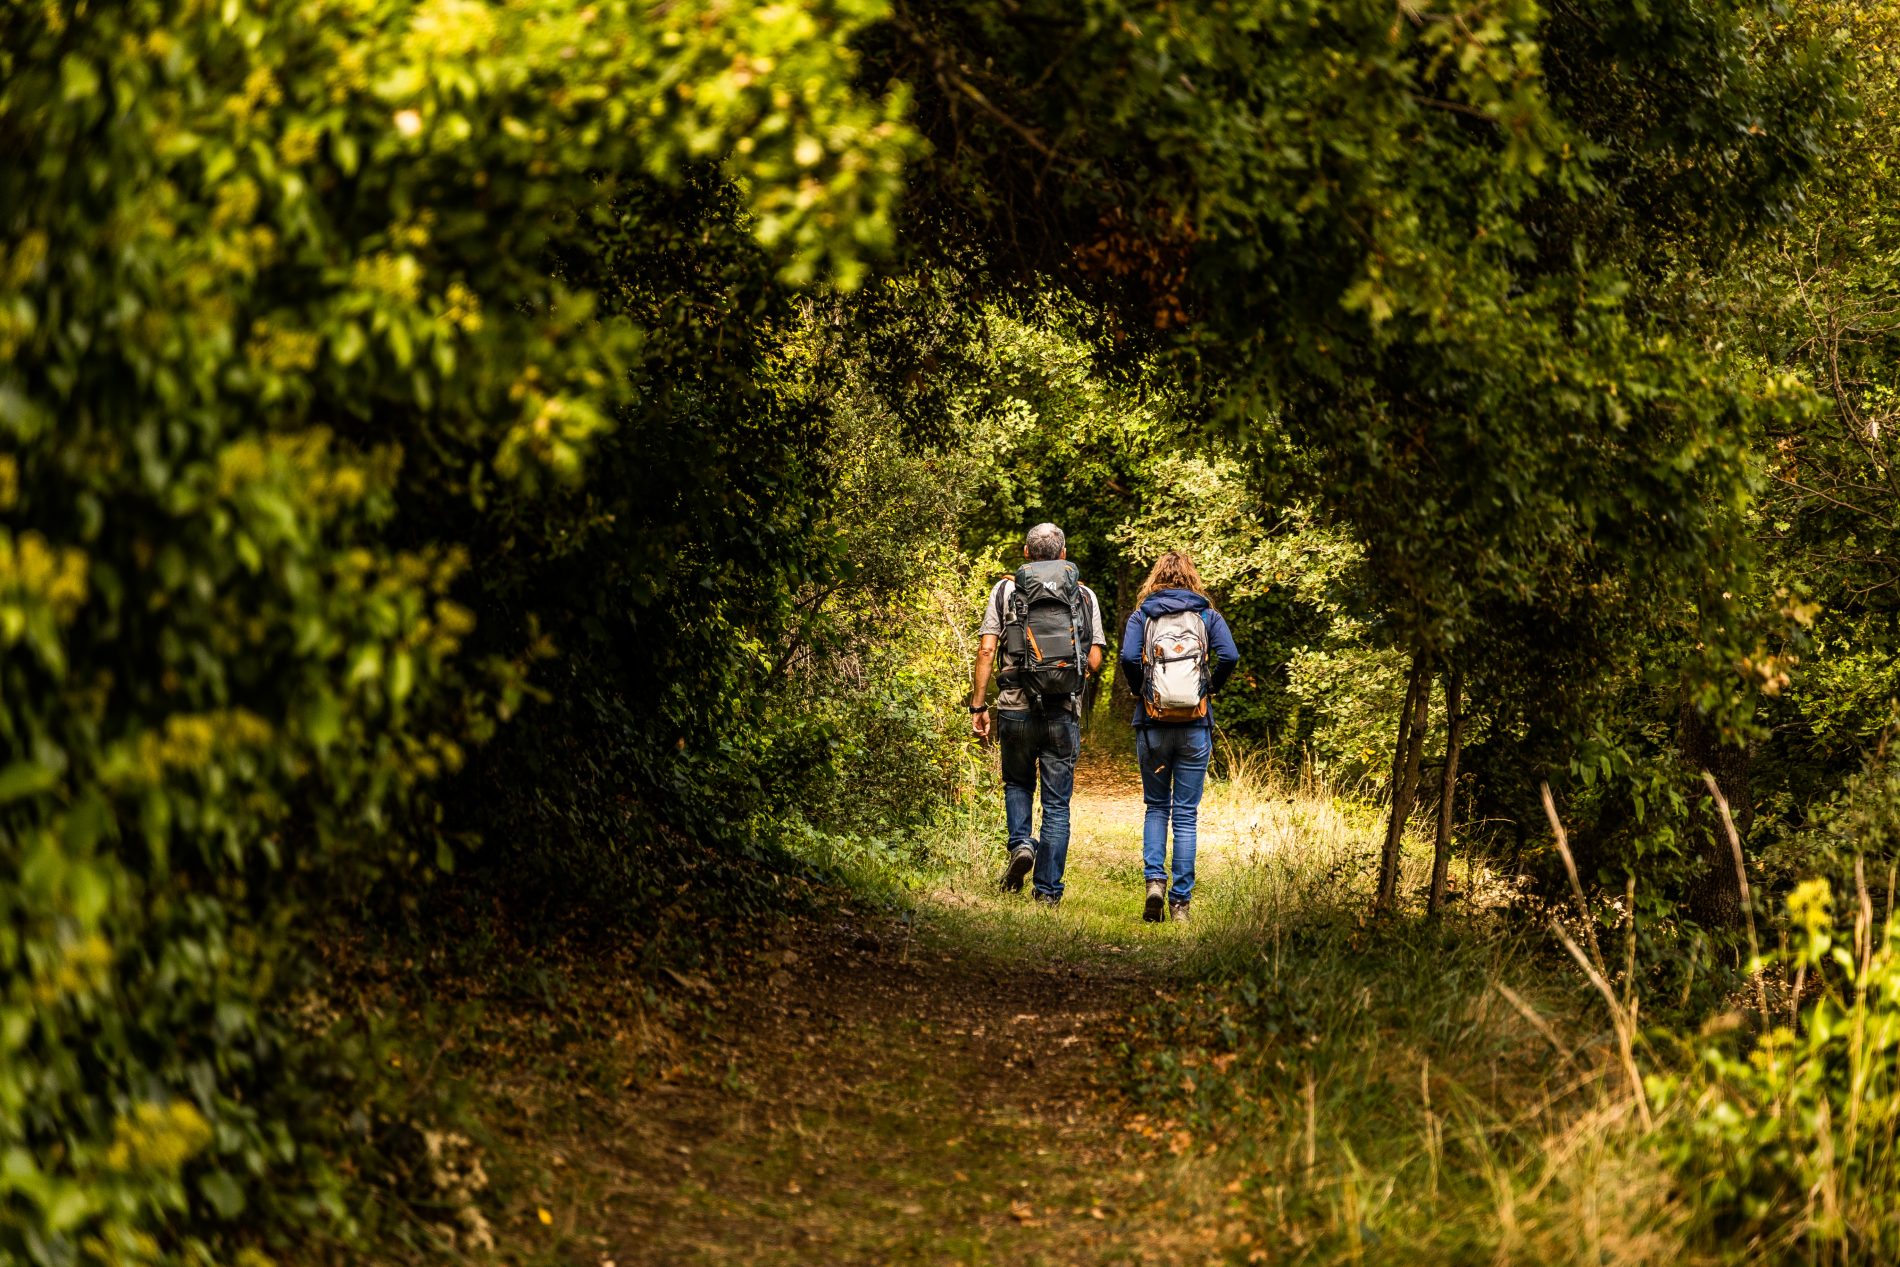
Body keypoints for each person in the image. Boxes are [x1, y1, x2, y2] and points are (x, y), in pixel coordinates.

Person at [969, 523, 1106, 906]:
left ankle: (1021, 845)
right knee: (1058, 804)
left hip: (1014, 708)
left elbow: (985, 651)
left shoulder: (1004, 591)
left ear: (1027, 554)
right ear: (1063, 555)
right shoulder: (1083, 595)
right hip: (1063, 710)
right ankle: (1047, 893)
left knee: (1017, 784)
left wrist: (979, 704)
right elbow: (1093, 659)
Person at [1118, 550, 1240, 923]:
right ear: (1192, 577)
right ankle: (1180, 904)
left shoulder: (1144, 614)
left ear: (1156, 578)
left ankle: (1155, 881)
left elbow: (1126, 657)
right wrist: (1209, 688)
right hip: (1194, 725)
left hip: (1153, 724)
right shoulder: (1206, 615)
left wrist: (1142, 690)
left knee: (1157, 807)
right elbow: (1230, 656)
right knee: (1185, 815)